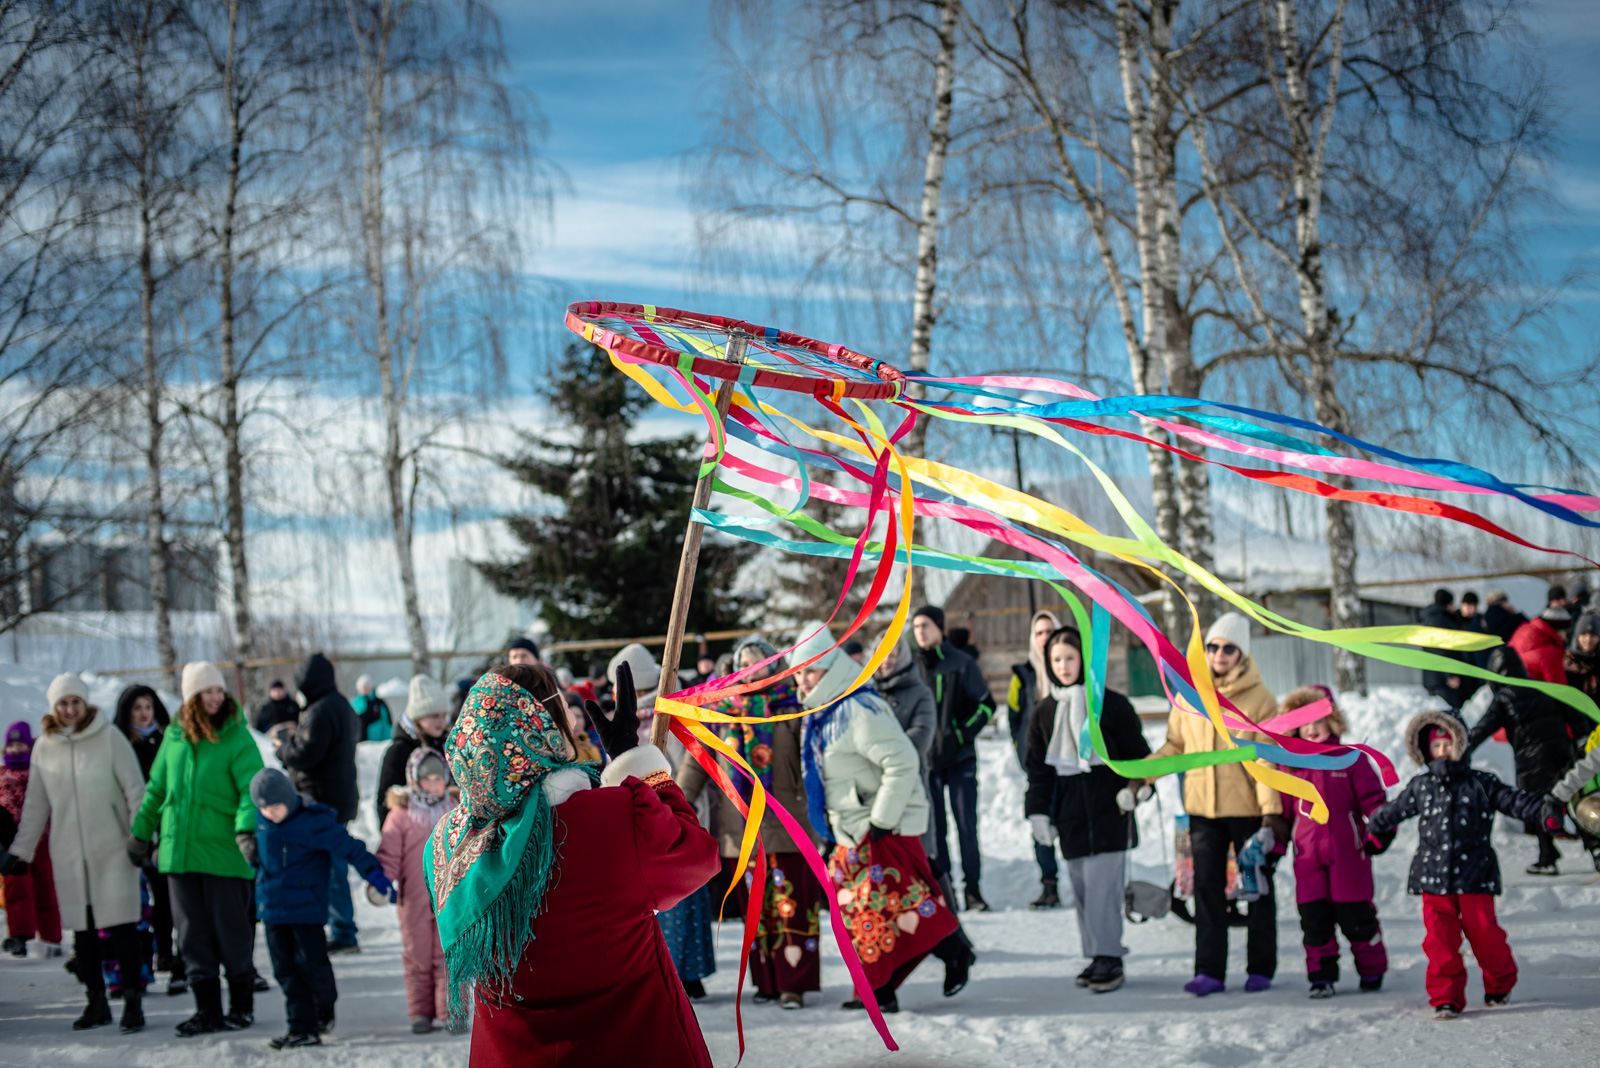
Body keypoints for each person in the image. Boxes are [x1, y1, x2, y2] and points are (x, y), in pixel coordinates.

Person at [435, 662, 720, 1066]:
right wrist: (640, 767)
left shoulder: (451, 844)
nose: (572, 715)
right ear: (537, 725)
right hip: (630, 1043)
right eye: (559, 704)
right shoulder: (613, 817)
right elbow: (695, 856)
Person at [789, 622, 967, 1013]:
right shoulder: (822, 712)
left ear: (831, 667)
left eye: (811, 670)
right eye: (799, 672)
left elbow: (902, 761)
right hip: (852, 828)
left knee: (889, 906)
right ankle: (883, 989)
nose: (804, 680)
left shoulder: (855, 709)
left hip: (881, 826)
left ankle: (946, 956)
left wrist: (882, 821)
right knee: (867, 911)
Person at [1366, 710, 1561, 1018]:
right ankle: (1446, 997)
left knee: (1486, 937)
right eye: (1436, 746)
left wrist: (1543, 811)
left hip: (1475, 875)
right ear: (1425, 749)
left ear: (1461, 744)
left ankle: (1500, 983)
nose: (1442, 752)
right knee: (1439, 943)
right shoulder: (1422, 785)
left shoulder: (1481, 783)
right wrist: (1373, 827)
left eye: (1448, 744)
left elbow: (1513, 800)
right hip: (1433, 878)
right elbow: (1395, 811)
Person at [677, 636, 821, 1009]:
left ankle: (793, 984)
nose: (752, 671)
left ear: (773, 669)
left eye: (760, 664)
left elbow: (813, 758)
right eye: (746, 664)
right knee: (755, 914)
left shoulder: (792, 708)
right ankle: (767, 983)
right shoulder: (720, 713)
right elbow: (695, 762)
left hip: (788, 826)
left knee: (790, 909)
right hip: (740, 831)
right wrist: (674, 799)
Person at [1146, 612, 1285, 995]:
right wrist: (1145, 772)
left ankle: (1261, 967)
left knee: (1256, 888)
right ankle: (1209, 970)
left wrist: (1270, 816)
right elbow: (1177, 746)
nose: (1219, 654)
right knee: (1207, 889)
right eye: (1213, 646)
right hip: (1202, 810)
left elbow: (1265, 758)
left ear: (1242, 653)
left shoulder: (1260, 699)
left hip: (1247, 811)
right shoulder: (1188, 694)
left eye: (1228, 648)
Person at [1, 675, 147, 1032]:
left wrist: (141, 837)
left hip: (113, 848)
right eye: (63, 704)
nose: (70, 710)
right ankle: (96, 1002)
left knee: (122, 928)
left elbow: (135, 790)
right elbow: (35, 805)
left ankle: (132, 1002)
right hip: (68, 852)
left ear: (86, 704)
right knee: (83, 934)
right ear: (54, 708)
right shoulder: (44, 748)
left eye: (76, 703)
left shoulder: (109, 737)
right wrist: (20, 852)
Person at [128, 662, 264, 1036]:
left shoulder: (237, 738)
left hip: (225, 854)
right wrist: (141, 835)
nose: (216, 697)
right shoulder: (173, 737)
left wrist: (246, 832)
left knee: (232, 933)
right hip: (179, 856)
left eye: (219, 690)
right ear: (191, 697)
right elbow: (156, 790)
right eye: (207, 691)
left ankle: (241, 1007)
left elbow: (251, 791)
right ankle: (207, 1011)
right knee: (192, 937)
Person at [1023, 625, 1151, 994]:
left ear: (1084, 660)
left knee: (1103, 889)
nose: (1063, 666)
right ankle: (1097, 955)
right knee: (1081, 888)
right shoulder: (1044, 713)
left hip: (1110, 808)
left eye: (1070, 658)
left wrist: (1136, 789)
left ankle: (1111, 957)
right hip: (1070, 811)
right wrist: (1038, 814)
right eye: (1057, 660)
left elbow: (1140, 758)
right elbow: (1039, 772)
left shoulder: (1111, 705)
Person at [251, 768, 394, 1049]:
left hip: (306, 911)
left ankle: (324, 1005)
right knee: (285, 970)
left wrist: (374, 874)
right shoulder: (263, 820)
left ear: (289, 800)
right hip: (272, 910)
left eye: (275, 807)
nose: (270, 814)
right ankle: (301, 1028)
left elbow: (350, 848)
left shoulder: (313, 822)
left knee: (313, 968)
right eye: (264, 809)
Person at [1276, 686, 1388, 998]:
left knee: (1357, 918)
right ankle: (1321, 977)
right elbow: (1284, 813)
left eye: (1319, 720)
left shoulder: (1350, 760)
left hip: (1348, 853)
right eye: (1305, 722)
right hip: (1308, 856)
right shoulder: (1291, 763)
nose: (1312, 729)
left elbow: (1373, 799)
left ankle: (1372, 970)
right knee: (1315, 921)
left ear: (1333, 721)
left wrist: (1380, 828)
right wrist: (1273, 846)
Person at [1466, 647, 1593, 875]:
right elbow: (1573, 713)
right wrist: (1582, 739)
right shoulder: (1542, 686)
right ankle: (1596, 849)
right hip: (1561, 756)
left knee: (1539, 808)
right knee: (1571, 800)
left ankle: (1547, 857)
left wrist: (1460, 748)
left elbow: (1482, 729)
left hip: (1531, 767)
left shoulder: (1504, 699)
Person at [271, 653, 360, 952]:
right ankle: (340, 927)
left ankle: (343, 932)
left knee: (331, 868)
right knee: (331, 865)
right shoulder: (341, 705)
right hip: (338, 796)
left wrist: (284, 749)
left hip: (324, 800)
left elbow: (307, 755)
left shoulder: (320, 710)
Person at [912, 604, 996, 911]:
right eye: (916, 627)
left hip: (960, 761)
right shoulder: (913, 668)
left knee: (965, 826)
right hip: (928, 764)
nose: (920, 632)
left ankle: (973, 890)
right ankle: (945, 891)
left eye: (926, 626)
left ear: (939, 627)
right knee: (936, 830)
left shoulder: (961, 663)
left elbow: (987, 705)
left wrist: (960, 735)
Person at [378, 748, 459, 1033]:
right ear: (414, 780)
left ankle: (451, 1011)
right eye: (427, 779)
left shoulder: (453, 809)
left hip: (449, 898)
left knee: (449, 955)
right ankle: (420, 1013)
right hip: (412, 899)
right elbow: (389, 855)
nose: (434, 784)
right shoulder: (401, 815)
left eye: (439, 778)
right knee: (417, 956)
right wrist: (381, 882)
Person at [113, 684, 182, 994]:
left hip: (167, 827)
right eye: (137, 708)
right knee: (142, 900)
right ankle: (145, 956)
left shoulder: (166, 738)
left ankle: (166, 952)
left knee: (167, 894)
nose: (143, 713)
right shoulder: (121, 744)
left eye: (148, 707)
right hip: (136, 830)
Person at [1008, 609, 1062, 908]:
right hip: (1038, 762)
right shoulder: (1022, 674)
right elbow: (1014, 717)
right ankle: (1049, 884)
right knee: (1040, 823)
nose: (1045, 638)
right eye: (1039, 632)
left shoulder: (1070, 667)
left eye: (1049, 631)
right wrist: (1022, 750)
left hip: (1068, 760)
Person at [1, 721, 63, 958]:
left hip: (41, 839)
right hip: (11, 842)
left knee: (44, 885)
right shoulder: (2, 774)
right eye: (11, 745)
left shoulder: (39, 773)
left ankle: (51, 936)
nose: (15, 750)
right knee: (17, 886)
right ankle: (19, 935)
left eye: (20, 745)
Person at [377, 674, 453, 830]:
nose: (442, 721)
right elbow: (385, 801)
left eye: (444, 715)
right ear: (418, 718)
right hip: (413, 835)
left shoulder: (448, 745)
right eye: (435, 716)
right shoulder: (399, 751)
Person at [1421, 589, 1478, 713]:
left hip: (1436, 676)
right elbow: (1441, 649)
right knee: (1449, 715)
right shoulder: (1439, 620)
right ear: (1449, 604)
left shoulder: (1431, 618)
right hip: (1442, 679)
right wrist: (1450, 674)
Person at [1509, 605, 1571, 686]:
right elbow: (1559, 689)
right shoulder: (1551, 652)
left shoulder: (1523, 630)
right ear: (1559, 630)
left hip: (1510, 688)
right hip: (1534, 694)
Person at [351, 674, 392, 743]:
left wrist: (387, 741)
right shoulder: (354, 704)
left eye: (367, 687)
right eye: (363, 687)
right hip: (357, 743)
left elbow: (387, 723)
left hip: (376, 743)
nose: (365, 690)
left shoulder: (379, 703)